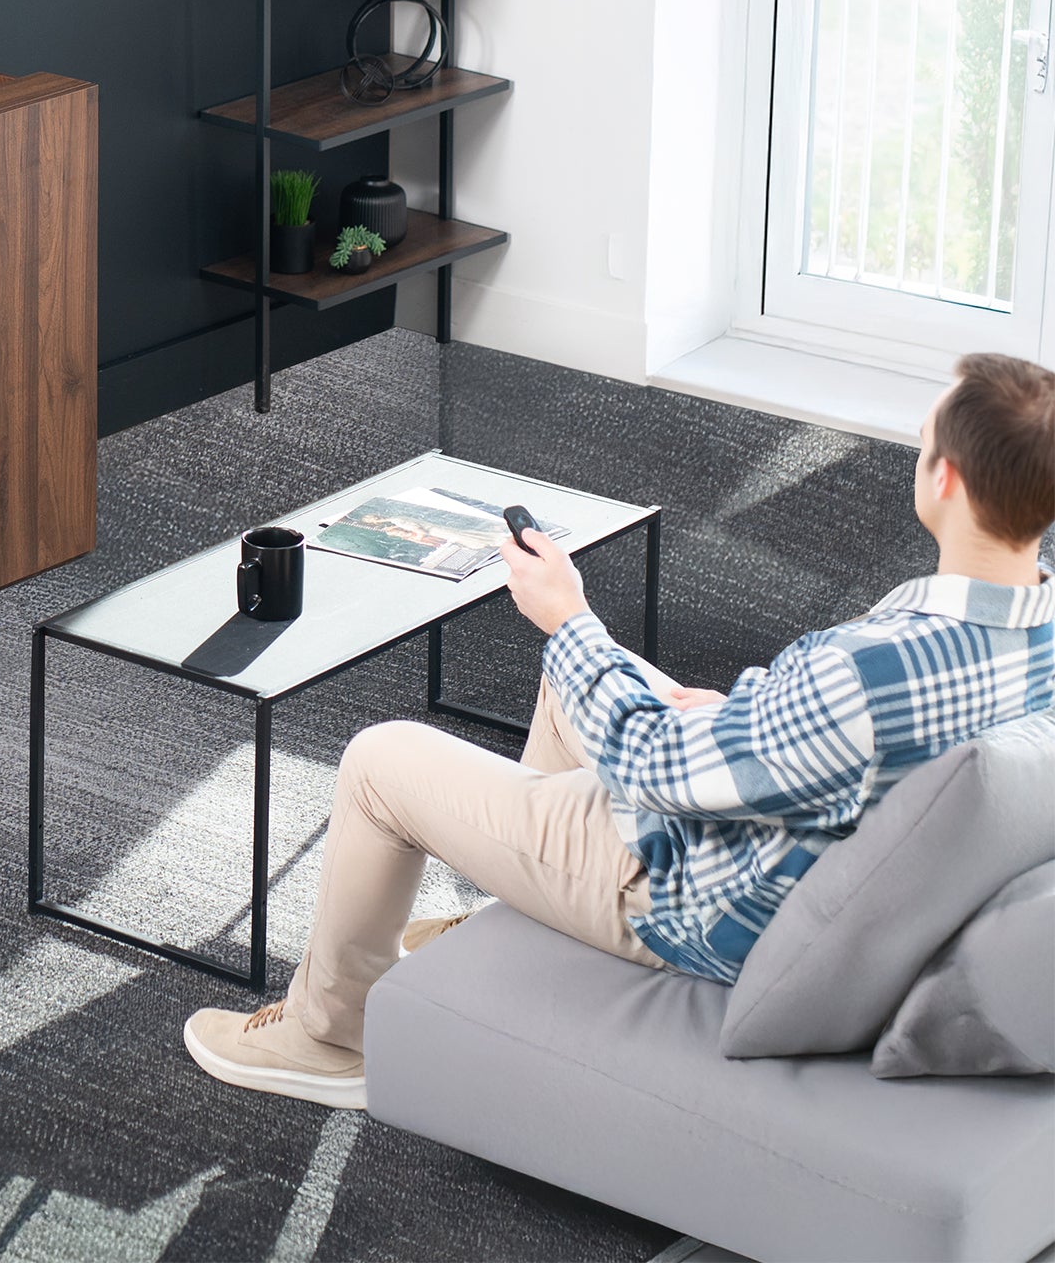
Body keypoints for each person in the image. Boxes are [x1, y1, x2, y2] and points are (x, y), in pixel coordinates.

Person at [184, 352, 1055, 1108]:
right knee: (580, 691)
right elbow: (861, 753)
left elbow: (652, 765)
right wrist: (744, 716)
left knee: (381, 761)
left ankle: (332, 1038)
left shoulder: (861, 675)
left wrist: (567, 620)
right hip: (791, 830)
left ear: (947, 478)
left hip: (693, 891)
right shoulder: (1036, 632)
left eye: (926, 437)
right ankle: (513, 905)